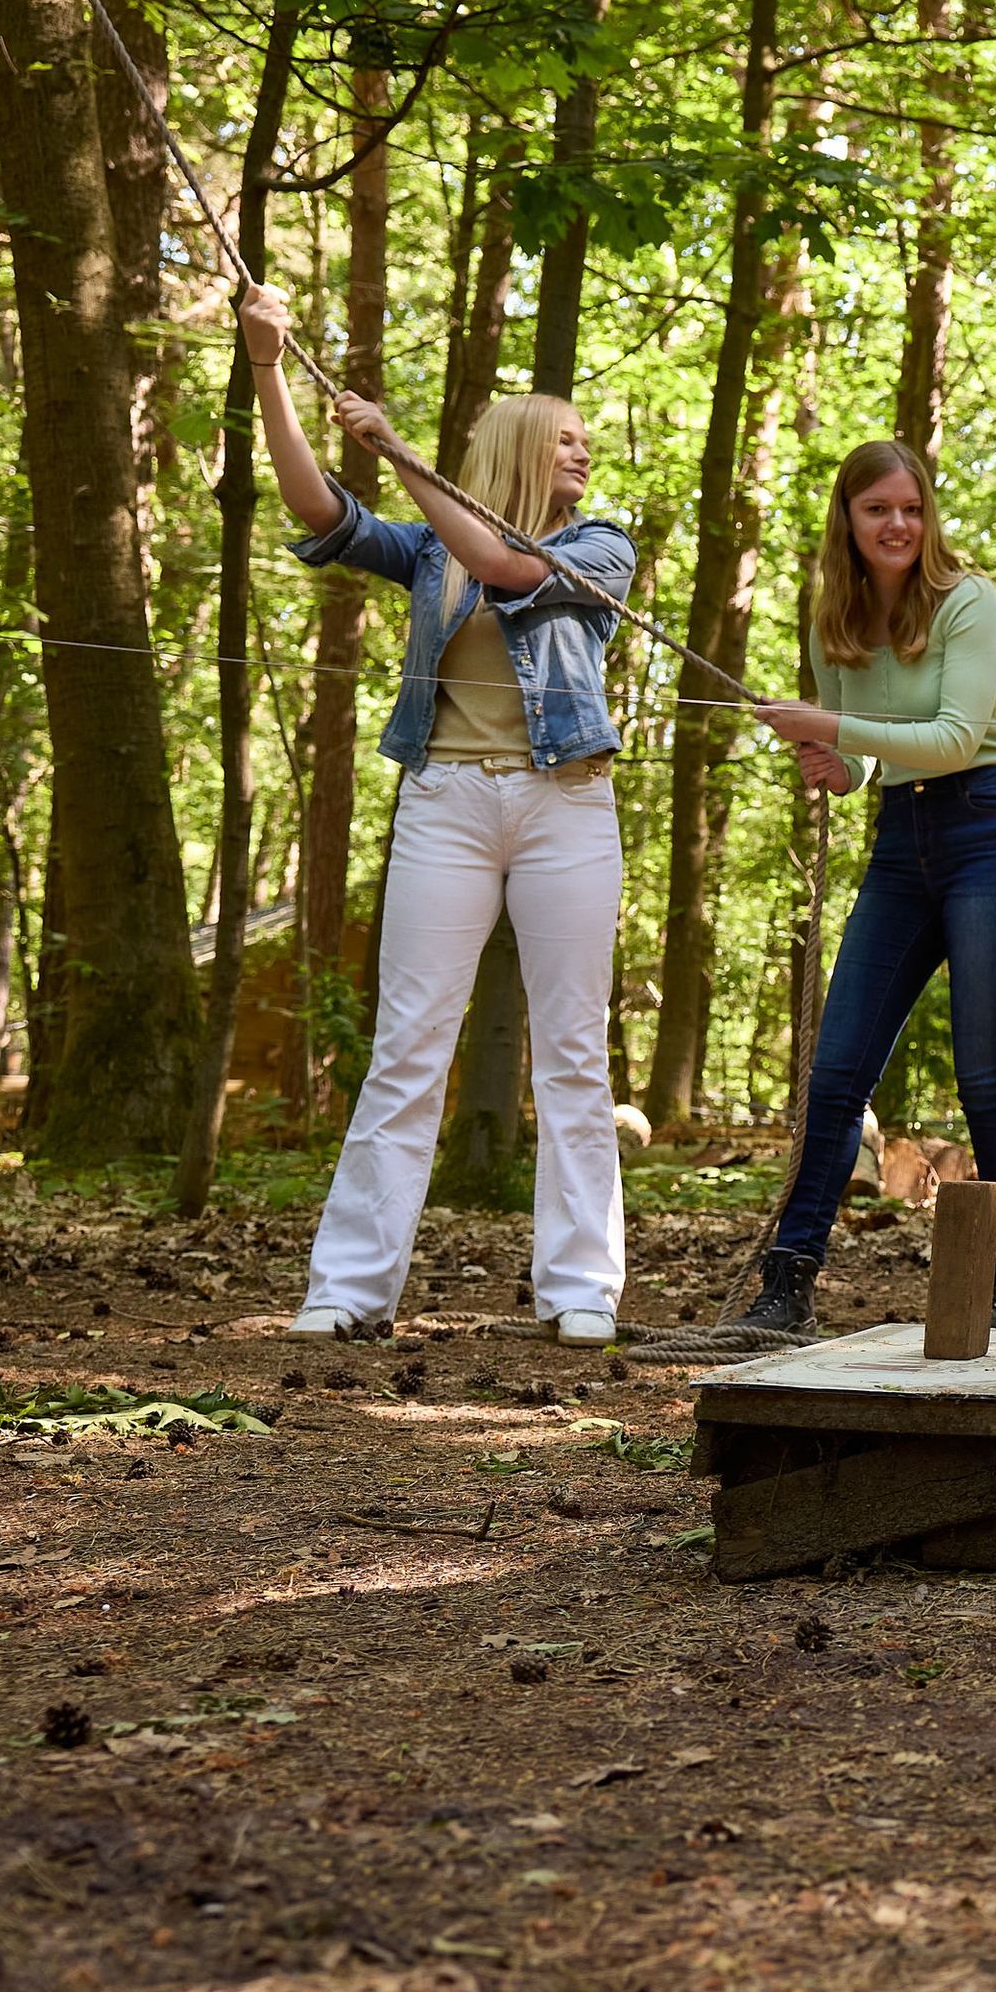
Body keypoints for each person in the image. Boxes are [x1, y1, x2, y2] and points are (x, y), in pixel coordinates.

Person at [242, 282, 635, 1347]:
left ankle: (580, 1286)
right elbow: (316, 507)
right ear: (516, 442)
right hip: (444, 804)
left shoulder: (604, 546)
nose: (582, 456)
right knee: (407, 1045)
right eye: (565, 441)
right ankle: (350, 1287)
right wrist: (271, 364)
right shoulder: (423, 552)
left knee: (572, 1049)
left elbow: (507, 566)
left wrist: (400, 448)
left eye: (586, 442)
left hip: (567, 806)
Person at [736, 440, 996, 1333]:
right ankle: (788, 1282)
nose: (898, 525)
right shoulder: (833, 619)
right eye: (878, 509)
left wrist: (831, 722)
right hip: (901, 840)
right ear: (848, 518)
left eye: (911, 508)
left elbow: (956, 737)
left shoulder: (967, 601)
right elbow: (861, 760)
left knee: (985, 1069)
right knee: (836, 1071)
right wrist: (829, 761)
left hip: (994, 828)